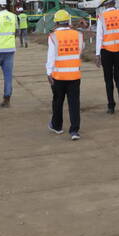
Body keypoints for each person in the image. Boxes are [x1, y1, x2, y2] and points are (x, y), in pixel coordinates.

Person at [46, 9, 83, 140]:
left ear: (56, 22)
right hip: (74, 75)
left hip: (59, 76)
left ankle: (57, 126)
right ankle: (74, 131)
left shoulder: (53, 36)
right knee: (74, 103)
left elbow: (51, 56)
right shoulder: (78, 35)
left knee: (58, 101)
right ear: (69, 21)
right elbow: (79, 51)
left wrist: (48, 72)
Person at [96, 0, 119, 114]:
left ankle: (111, 106)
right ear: (114, 2)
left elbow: (99, 36)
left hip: (106, 51)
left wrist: (97, 55)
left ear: (104, 4)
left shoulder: (102, 17)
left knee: (108, 79)